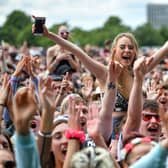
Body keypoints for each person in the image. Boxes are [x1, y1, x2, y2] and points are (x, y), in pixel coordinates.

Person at [32, 24, 168, 140]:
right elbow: (77, 52)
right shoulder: (105, 72)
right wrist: (49, 35)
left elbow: (163, 49)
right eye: (123, 47)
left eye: (131, 48)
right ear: (114, 51)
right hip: (110, 134)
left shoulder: (140, 71)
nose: (127, 50)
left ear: (135, 52)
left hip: (136, 131)